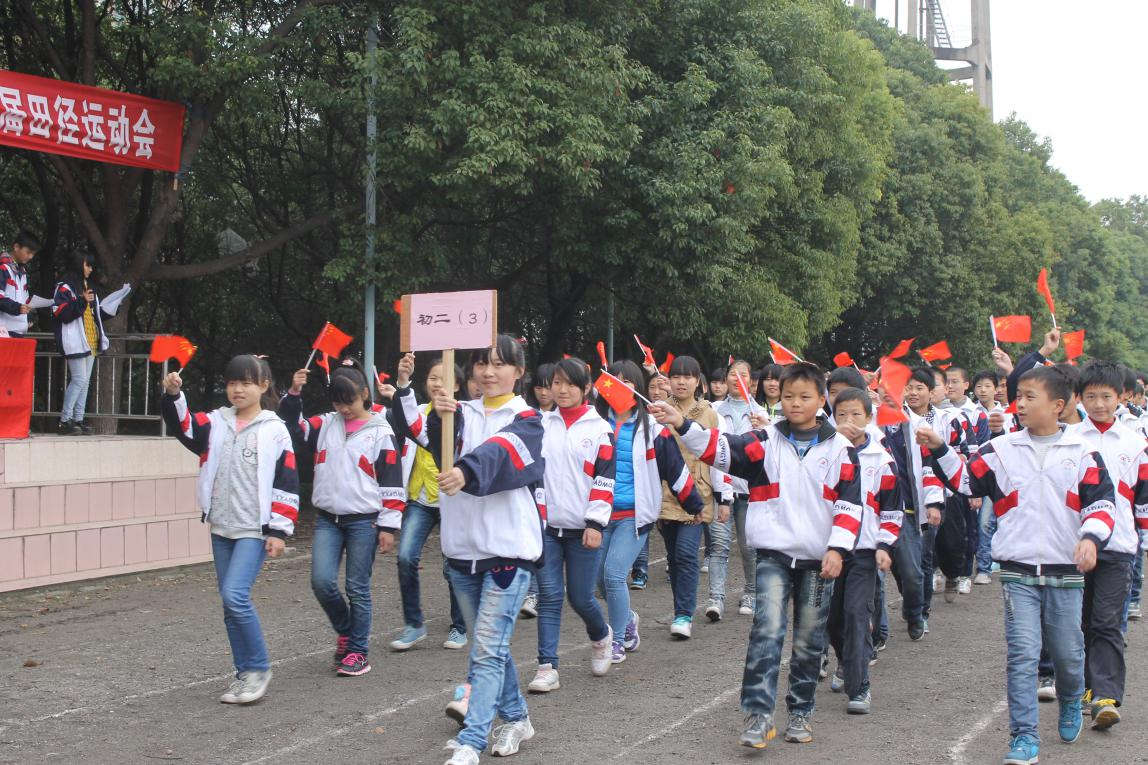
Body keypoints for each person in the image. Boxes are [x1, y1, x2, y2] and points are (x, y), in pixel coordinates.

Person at [653, 361, 862, 749]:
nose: (795, 403)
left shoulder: (842, 450)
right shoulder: (764, 440)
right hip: (772, 554)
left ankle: (800, 710)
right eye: (788, 396)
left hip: (818, 561)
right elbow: (720, 449)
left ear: (822, 400)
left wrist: (837, 549)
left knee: (808, 641)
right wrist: (680, 423)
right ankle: (758, 715)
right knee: (766, 631)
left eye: (805, 396)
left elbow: (850, 506)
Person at [919, 365, 1117, 765]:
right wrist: (940, 447)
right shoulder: (1001, 449)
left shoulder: (1082, 452)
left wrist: (1090, 538)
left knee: (1067, 654)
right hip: (1017, 571)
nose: (1020, 404)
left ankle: (1070, 699)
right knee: (1023, 654)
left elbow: (1101, 504)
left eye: (1030, 397)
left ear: (1058, 405)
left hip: (1065, 572)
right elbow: (965, 481)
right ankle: (1024, 736)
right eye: (1018, 396)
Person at [391, 334, 544, 764]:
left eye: (499, 364)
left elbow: (502, 453)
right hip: (461, 550)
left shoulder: (529, 419)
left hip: (508, 551)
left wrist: (465, 472)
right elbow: (425, 439)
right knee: (489, 646)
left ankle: (471, 741)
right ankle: (517, 718)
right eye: (481, 363)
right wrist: (434, 412)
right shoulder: (456, 413)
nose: (489, 372)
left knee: (487, 649)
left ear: (519, 371)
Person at [160, 355, 300, 705]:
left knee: (235, 596)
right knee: (229, 603)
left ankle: (259, 669)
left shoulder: (275, 429)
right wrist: (174, 395)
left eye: (246, 383)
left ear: (263, 386)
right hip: (222, 526)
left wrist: (279, 531)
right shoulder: (215, 422)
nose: (238, 389)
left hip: (255, 528)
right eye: (233, 383)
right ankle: (244, 674)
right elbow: (184, 427)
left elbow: (287, 480)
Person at [279, 360, 405, 677]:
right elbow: (293, 428)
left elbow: (392, 479)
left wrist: (389, 525)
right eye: (337, 402)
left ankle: (358, 652)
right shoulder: (324, 424)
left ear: (364, 394)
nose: (344, 408)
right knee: (321, 581)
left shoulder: (381, 432)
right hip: (328, 519)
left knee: (357, 587)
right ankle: (348, 630)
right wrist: (294, 394)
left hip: (365, 521)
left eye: (349, 401)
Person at [595, 360, 702, 663]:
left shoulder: (653, 430)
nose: (619, 387)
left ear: (637, 388)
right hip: (599, 515)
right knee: (599, 580)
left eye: (626, 381)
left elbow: (675, 469)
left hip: (634, 516)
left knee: (614, 575)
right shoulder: (594, 424)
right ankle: (628, 619)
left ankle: (617, 640)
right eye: (614, 381)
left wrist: (694, 504)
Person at [529, 357, 616, 692]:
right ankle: (547, 667)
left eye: (569, 384)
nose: (561, 390)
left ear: (586, 388)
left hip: (583, 530)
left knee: (580, 597)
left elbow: (604, 480)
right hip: (547, 529)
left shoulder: (600, 430)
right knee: (549, 596)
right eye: (556, 383)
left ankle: (601, 636)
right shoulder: (539, 424)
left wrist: (595, 523)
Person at [1072, 361, 1148, 729]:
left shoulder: (1135, 443)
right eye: (1091, 397)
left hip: (1119, 546)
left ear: (1121, 397)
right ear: (1079, 398)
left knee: (1106, 622)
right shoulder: (1070, 438)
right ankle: (1086, 686)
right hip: (1074, 546)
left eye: (1106, 396)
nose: (1099, 404)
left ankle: (1106, 696)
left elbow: (1142, 497)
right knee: (1079, 621)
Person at [386, 353, 469, 652]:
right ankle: (414, 624)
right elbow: (406, 420)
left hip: (453, 500)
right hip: (420, 499)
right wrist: (403, 381)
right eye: (433, 378)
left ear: (457, 385)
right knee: (406, 557)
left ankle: (460, 626)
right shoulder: (420, 413)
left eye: (444, 379)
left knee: (454, 565)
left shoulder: (466, 417)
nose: (437, 384)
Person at [826, 388, 901, 715]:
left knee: (857, 613)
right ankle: (845, 659)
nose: (849, 421)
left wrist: (884, 545)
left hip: (864, 551)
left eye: (856, 414)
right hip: (829, 550)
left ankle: (860, 686)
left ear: (869, 418)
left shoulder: (882, 461)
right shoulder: (825, 452)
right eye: (842, 414)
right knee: (831, 618)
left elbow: (892, 510)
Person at [657, 355, 729, 638]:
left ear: (698, 381)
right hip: (665, 495)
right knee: (673, 557)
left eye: (687, 376)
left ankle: (684, 615)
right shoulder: (658, 410)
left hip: (697, 495)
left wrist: (724, 498)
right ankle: (681, 609)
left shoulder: (710, 414)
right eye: (676, 376)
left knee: (687, 554)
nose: (681, 381)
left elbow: (720, 458)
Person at [50, 251, 131, 435]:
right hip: (75, 341)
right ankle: (64, 421)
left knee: (85, 382)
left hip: (91, 339)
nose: (90, 269)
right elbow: (62, 313)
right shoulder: (64, 287)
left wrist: (113, 307)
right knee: (79, 379)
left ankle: (78, 419)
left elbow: (95, 315)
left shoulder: (87, 286)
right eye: (88, 265)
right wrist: (81, 300)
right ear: (78, 264)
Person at [714, 359, 760, 618]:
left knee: (748, 547)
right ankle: (716, 598)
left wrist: (762, 426)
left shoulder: (759, 413)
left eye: (743, 374)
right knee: (718, 546)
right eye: (733, 373)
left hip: (748, 492)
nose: (737, 378)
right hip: (720, 489)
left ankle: (751, 592)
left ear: (751, 381)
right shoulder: (714, 410)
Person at [946, 366, 988, 595]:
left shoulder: (976, 414)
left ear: (965, 385)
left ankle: (965, 574)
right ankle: (942, 571)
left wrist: (975, 487)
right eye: (946, 381)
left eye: (954, 381)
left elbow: (978, 452)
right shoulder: (934, 413)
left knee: (969, 527)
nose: (949, 386)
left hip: (966, 480)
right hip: (942, 482)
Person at [519, 363, 555, 619]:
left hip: (558, 488)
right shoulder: (526, 415)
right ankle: (532, 592)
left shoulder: (564, 417)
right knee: (534, 536)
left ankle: (546, 590)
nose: (543, 392)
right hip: (533, 485)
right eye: (539, 387)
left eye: (548, 387)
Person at [0, 230, 47, 338]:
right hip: (4, 331)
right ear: (16, 247)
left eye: (33, 254)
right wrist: (17, 308)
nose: (31, 257)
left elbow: (24, 301)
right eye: (28, 252)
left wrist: (29, 314)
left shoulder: (22, 272)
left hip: (19, 330)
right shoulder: (3, 268)